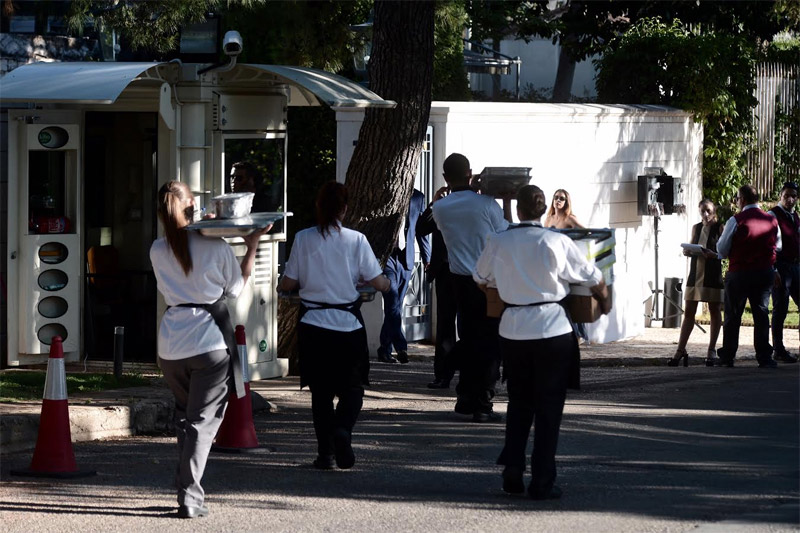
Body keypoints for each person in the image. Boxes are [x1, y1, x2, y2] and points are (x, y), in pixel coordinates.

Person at [474, 184, 611, 500]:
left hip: (513, 330)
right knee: (549, 409)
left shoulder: (498, 241)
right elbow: (593, 278)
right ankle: (542, 481)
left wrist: (504, 292)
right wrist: (604, 303)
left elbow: (479, 278)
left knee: (519, 403)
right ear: (540, 209)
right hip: (552, 330)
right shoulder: (556, 241)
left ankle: (512, 470)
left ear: (518, 210)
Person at [150, 180, 270, 519]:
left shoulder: (157, 249)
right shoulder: (215, 248)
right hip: (209, 342)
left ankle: (185, 487)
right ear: (192, 208)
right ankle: (189, 496)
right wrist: (252, 245)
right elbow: (235, 289)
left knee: (184, 418)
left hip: (171, 343)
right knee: (202, 423)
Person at [278, 182, 390, 470]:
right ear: (344, 209)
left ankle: (325, 454)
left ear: (318, 207)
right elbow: (378, 283)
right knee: (353, 389)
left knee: (321, 393)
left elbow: (288, 283)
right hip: (348, 326)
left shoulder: (303, 239)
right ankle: (343, 428)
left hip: (313, 324)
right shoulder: (356, 240)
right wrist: (387, 283)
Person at [432, 153, 512, 423]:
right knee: (489, 342)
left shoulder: (440, 208)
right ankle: (483, 402)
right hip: (489, 280)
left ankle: (465, 396)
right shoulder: (487, 204)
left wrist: (470, 188)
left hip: (460, 280)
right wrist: (503, 200)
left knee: (468, 337)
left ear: (445, 178)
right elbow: (505, 233)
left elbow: (453, 216)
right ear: (471, 173)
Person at [715, 184, 780, 368]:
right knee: (761, 313)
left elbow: (722, 249)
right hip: (764, 272)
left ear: (741, 199)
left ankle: (728, 355)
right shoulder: (771, 220)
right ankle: (764, 356)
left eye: (737, 199)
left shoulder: (736, 220)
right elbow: (778, 245)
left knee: (733, 315)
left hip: (740, 272)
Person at [377, 188, 431, 364]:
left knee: (396, 306)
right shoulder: (386, 191)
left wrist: (426, 258)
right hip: (388, 257)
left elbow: (420, 230)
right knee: (392, 301)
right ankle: (401, 347)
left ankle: (384, 349)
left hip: (406, 257)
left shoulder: (417, 197)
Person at [668, 199, 724, 367]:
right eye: (702, 211)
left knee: (714, 310)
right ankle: (680, 349)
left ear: (714, 210)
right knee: (689, 312)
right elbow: (693, 245)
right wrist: (688, 251)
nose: (705, 214)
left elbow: (724, 250)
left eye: (707, 210)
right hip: (695, 273)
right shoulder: (696, 227)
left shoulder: (720, 227)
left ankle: (711, 349)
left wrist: (712, 254)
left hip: (712, 273)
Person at [416, 186, 458, 388]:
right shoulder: (443, 207)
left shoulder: (476, 206)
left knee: (460, 326)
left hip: (467, 271)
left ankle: (455, 375)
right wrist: (434, 203)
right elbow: (421, 228)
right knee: (445, 326)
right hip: (446, 270)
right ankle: (443, 375)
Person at [768, 182, 800, 364]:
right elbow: (770, 244)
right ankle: (778, 349)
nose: (790, 199)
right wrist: (773, 270)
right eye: (787, 195)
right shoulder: (773, 215)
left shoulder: (795, 216)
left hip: (796, 266)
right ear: (781, 195)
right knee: (780, 308)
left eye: (794, 196)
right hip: (781, 266)